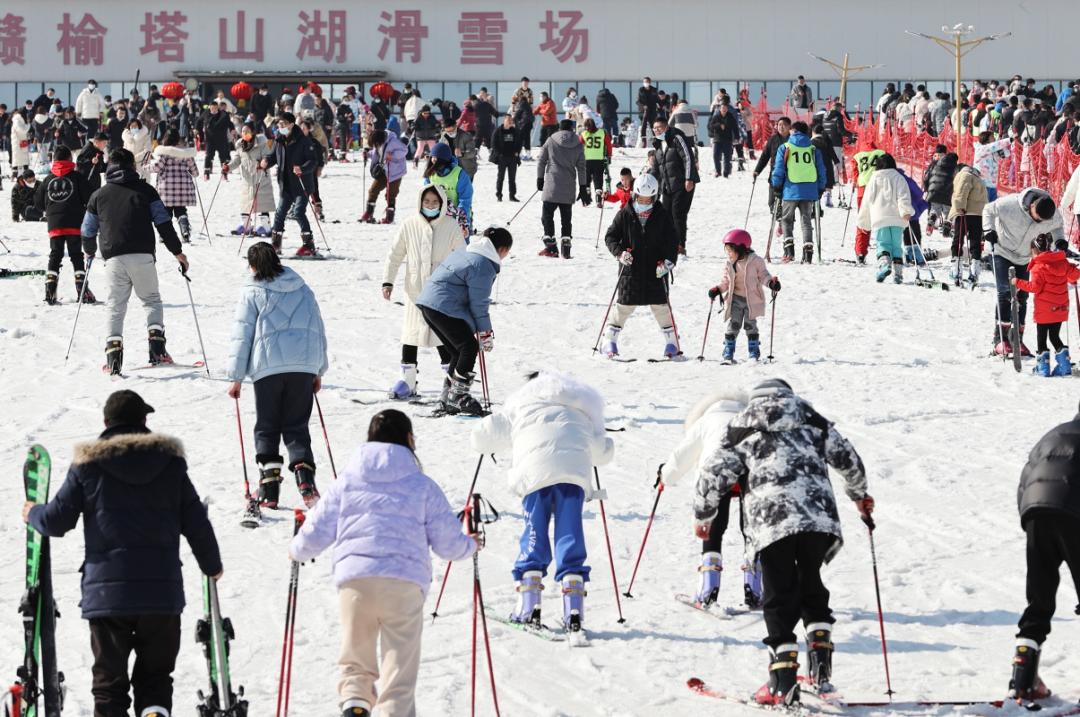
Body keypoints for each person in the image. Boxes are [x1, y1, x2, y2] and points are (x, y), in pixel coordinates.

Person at [23, 389, 222, 717]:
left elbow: (58, 520)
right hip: (161, 596)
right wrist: (212, 566)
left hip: (107, 596)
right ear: (144, 421)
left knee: (109, 687)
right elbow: (196, 521)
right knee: (156, 680)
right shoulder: (170, 464)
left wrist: (32, 513)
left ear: (106, 423)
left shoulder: (88, 465)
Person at [290, 409, 479, 717]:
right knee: (399, 671)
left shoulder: (347, 482)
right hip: (404, 583)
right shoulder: (423, 486)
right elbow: (448, 543)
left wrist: (296, 550)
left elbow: (317, 528)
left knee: (356, 659)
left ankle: (355, 703)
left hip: (356, 582)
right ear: (409, 439)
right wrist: (470, 546)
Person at [695, 378, 872, 706]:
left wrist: (704, 516)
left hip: (770, 521)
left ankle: (783, 679)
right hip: (817, 518)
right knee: (810, 583)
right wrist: (859, 496)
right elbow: (848, 458)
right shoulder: (811, 417)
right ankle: (821, 670)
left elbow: (712, 473)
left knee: (778, 595)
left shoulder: (743, 424)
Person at [470, 372, 615, 637]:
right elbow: (601, 452)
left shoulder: (521, 402)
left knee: (534, 531)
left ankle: (529, 605)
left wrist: (482, 439)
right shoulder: (581, 406)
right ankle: (574, 610)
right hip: (573, 475)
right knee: (570, 533)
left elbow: (485, 434)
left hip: (535, 475)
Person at [225, 242, 329, 508]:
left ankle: (269, 488)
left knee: (268, 425)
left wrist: (236, 376)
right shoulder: (303, 288)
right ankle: (306, 481)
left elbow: (242, 333)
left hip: (268, 369)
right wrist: (317, 369)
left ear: (253, 265)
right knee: (297, 426)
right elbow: (317, 327)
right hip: (303, 368)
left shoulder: (252, 290)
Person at [81, 148, 189, 375]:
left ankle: (113, 358)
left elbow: (87, 231)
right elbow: (163, 222)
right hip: (142, 255)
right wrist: (177, 251)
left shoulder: (98, 196)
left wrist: (89, 252)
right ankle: (157, 350)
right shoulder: (147, 191)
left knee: (115, 306)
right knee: (151, 300)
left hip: (113, 258)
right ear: (133, 166)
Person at [658, 387, 764, 609]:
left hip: (715, 472)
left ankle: (708, 592)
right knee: (751, 528)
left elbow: (681, 457)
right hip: (750, 471)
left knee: (713, 527)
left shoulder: (705, 421)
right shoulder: (750, 419)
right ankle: (754, 591)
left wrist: (665, 476)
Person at [1009, 400, 1080, 700]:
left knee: (1039, 600)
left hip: (1036, 512)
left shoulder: (1054, 434)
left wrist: (1032, 525)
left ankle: (1023, 677)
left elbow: (1025, 481)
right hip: (1073, 512)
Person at [415, 226, 513, 416]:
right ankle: (458, 396)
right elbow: (479, 304)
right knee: (469, 347)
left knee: (457, 351)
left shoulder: (467, 251)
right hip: (443, 305)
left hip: (429, 303)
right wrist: (485, 333)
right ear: (502, 250)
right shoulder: (483, 264)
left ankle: (447, 398)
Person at [382, 185, 464, 404]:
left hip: (442, 293)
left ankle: (451, 381)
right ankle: (408, 381)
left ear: (442, 204)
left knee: (442, 337)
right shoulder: (409, 225)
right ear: (420, 202)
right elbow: (395, 254)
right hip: (415, 291)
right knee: (411, 335)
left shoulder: (450, 226)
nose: (430, 206)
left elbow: (462, 260)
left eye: (434, 202)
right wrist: (388, 281)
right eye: (426, 202)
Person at [601, 173, 679, 359]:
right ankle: (609, 340)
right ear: (635, 195)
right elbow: (610, 237)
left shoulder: (662, 215)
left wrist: (668, 261)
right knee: (624, 305)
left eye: (648, 198)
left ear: (655, 196)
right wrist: (620, 253)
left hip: (656, 269)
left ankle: (671, 343)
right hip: (631, 270)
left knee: (661, 306)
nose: (645, 202)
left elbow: (672, 241)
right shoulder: (625, 213)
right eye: (641, 198)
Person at [983, 188, 1065, 356]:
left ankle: (1017, 338)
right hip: (1001, 250)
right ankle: (1000, 338)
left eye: (1042, 221)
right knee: (1006, 290)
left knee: (1023, 295)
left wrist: (1060, 240)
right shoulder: (1011, 204)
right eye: (1037, 216)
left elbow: (1058, 225)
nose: (1038, 221)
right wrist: (988, 230)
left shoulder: (1051, 213)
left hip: (1022, 257)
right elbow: (988, 210)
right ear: (1032, 205)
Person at [34, 145, 96, 305]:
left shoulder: (47, 179)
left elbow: (38, 203)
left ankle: (50, 288)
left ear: (54, 160)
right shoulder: (77, 177)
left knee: (55, 254)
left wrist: (50, 208)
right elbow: (89, 197)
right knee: (76, 255)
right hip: (74, 222)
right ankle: (82, 289)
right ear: (70, 159)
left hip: (54, 224)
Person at [707, 229, 780, 362]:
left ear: (740, 249)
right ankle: (728, 350)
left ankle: (753, 351)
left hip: (751, 301)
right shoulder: (730, 264)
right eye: (727, 251)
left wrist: (771, 284)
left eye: (730, 250)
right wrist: (717, 290)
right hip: (735, 300)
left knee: (750, 325)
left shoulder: (756, 261)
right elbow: (726, 282)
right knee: (733, 325)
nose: (728, 254)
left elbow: (764, 275)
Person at [1012, 235, 1080, 376]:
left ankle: (1043, 368)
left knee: (1041, 338)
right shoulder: (1062, 262)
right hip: (1060, 309)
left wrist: (1017, 282)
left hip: (1044, 312)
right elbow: (1075, 275)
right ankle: (1064, 365)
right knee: (1055, 336)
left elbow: (1035, 287)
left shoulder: (1038, 266)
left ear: (1035, 251)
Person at [261, 112, 319, 257]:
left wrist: (302, 169)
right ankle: (276, 244)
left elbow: (313, 161)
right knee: (280, 213)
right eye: (279, 124)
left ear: (292, 124)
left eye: (284, 124)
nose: (281, 127)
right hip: (285, 183)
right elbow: (273, 156)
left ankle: (308, 245)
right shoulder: (278, 140)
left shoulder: (304, 141)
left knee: (298, 212)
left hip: (302, 184)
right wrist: (266, 161)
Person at [771, 121, 827, 264]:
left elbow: (779, 169)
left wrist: (776, 186)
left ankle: (789, 251)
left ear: (793, 131)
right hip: (809, 190)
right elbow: (821, 170)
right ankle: (808, 252)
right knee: (806, 221)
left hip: (791, 189)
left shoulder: (785, 147)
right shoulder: (813, 150)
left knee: (786, 220)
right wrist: (820, 187)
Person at [856, 153, 914, 284]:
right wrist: (905, 211)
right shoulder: (899, 178)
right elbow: (903, 196)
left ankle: (884, 265)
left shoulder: (873, 179)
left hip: (880, 218)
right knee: (896, 246)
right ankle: (898, 274)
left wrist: (864, 222)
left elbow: (866, 202)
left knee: (883, 244)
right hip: (898, 219)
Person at [537, 119, 590, 259]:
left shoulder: (551, 140)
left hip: (552, 184)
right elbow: (582, 167)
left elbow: (541, 160)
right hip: (568, 185)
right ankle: (566, 248)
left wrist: (540, 178)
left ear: (559, 128)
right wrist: (583, 187)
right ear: (572, 129)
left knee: (547, 215)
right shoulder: (578, 144)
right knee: (566, 219)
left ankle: (551, 245)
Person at [651, 117, 699, 255]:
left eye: (659, 128)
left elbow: (688, 157)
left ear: (666, 127)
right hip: (667, 186)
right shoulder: (658, 145)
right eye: (654, 129)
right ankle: (668, 242)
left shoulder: (677, 138)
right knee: (666, 215)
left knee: (678, 213)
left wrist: (689, 178)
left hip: (682, 184)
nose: (656, 131)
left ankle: (680, 245)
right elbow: (656, 168)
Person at [224, 122, 274, 237]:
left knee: (262, 203)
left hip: (260, 177)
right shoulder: (240, 145)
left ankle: (265, 227)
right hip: (247, 179)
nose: (244, 134)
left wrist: (263, 163)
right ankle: (245, 225)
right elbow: (236, 161)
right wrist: (228, 167)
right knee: (245, 203)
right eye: (242, 131)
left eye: (247, 131)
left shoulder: (262, 143)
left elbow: (268, 156)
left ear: (253, 132)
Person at [148, 130, 199, 244]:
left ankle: (164, 234)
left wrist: (145, 167)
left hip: (166, 188)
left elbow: (157, 167)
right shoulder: (186, 154)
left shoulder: (164, 153)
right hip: (184, 188)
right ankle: (185, 230)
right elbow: (195, 172)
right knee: (181, 211)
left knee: (166, 213)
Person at [949, 163, 988, 286]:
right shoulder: (978, 179)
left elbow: (961, 190)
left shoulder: (964, 174)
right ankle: (974, 271)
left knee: (958, 240)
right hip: (978, 214)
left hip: (965, 212)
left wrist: (959, 206)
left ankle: (956, 270)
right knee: (975, 242)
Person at [424, 142, 473, 235]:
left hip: (458, 216)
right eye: (432, 157)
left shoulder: (459, 174)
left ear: (444, 160)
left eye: (436, 158)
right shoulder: (430, 174)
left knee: (460, 247)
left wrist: (461, 222)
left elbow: (465, 200)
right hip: (437, 217)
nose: (433, 160)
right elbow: (425, 195)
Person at [753, 117, 793, 232]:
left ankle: (784, 223)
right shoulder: (773, 139)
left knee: (786, 201)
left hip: (790, 176)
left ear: (789, 127)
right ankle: (779, 219)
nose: (781, 127)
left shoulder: (793, 140)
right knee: (772, 201)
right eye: (779, 124)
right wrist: (757, 170)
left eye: (784, 124)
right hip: (775, 176)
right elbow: (765, 156)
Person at [360, 129, 407, 225]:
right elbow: (377, 153)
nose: (375, 145)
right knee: (373, 190)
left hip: (395, 172)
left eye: (375, 143)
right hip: (383, 170)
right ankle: (369, 212)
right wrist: (367, 154)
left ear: (380, 139)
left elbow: (404, 150)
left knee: (390, 195)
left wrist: (393, 156)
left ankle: (389, 217)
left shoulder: (393, 142)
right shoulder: (379, 143)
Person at [850, 143, 885, 263]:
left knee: (863, 222)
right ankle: (886, 251)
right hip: (879, 188)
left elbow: (855, 173)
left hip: (863, 189)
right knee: (883, 220)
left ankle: (860, 251)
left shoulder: (857, 155)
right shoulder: (881, 153)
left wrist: (855, 182)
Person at [922, 146, 957, 237]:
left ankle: (932, 219)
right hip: (948, 194)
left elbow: (926, 177)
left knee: (934, 209)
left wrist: (926, 189)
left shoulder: (935, 165)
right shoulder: (955, 169)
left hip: (934, 192)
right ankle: (946, 227)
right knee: (948, 212)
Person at [490, 113, 522, 202]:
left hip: (512, 158)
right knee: (501, 178)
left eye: (511, 120)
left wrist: (517, 152)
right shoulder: (498, 131)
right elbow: (493, 143)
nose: (510, 122)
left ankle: (512, 196)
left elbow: (519, 143)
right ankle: (499, 195)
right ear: (504, 120)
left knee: (512, 178)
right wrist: (499, 154)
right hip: (502, 158)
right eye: (508, 120)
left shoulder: (515, 131)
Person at [580, 117, 612, 206]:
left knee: (586, 180)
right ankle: (598, 199)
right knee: (598, 180)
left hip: (586, 160)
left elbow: (579, 146)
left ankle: (586, 199)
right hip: (599, 160)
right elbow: (608, 144)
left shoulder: (584, 134)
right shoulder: (602, 132)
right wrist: (609, 155)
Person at [708, 102, 739, 178]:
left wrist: (737, 137)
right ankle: (718, 171)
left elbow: (735, 127)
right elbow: (710, 126)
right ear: (720, 109)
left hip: (727, 140)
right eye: (722, 108)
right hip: (717, 139)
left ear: (727, 109)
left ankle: (726, 173)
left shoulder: (730, 117)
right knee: (716, 156)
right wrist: (719, 125)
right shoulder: (716, 116)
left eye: (725, 108)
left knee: (727, 157)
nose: (724, 109)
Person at [637, 77, 660, 147]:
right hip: (644, 110)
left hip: (652, 110)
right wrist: (643, 106)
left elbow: (657, 99)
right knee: (643, 124)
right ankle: (643, 139)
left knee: (653, 124)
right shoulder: (641, 90)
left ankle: (656, 139)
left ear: (650, 82)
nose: (645, 83)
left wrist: (658, 104)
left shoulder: (654, 90)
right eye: (644, 82)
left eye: (647, 81)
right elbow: (638, 101)